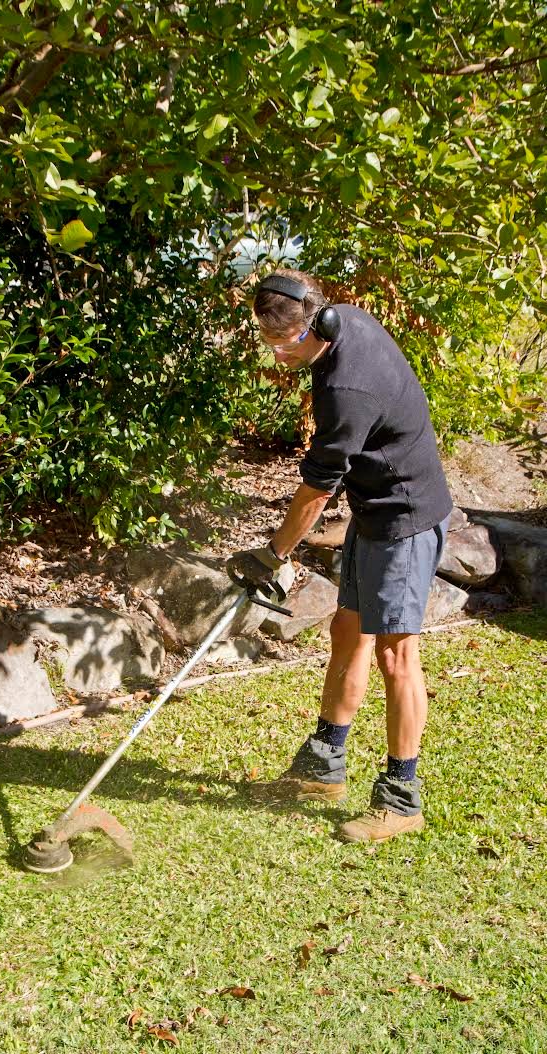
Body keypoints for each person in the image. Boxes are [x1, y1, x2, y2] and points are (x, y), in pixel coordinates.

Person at [227, 269, 453, 843]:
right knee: (346, 630)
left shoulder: (344, 390)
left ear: (312, 326)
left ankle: (402, 799)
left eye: (281, 344)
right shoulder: (344, 320)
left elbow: (317, 488)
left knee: (397, 657)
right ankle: (323, 767)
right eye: (266, 341)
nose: (275, 355)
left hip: (403, 517)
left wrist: (274, 554)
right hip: (374, 510)